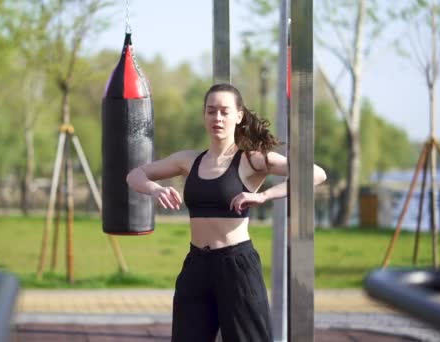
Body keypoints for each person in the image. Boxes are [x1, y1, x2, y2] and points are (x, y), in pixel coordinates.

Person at [126, 83, 327, 342]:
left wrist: (263, 195)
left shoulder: (251, 159)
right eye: (211, 111)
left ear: (238, 116)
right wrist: (155, 190)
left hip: (237, 267)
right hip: (196, 266)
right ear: (204, 116)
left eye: (224, 111)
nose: (217, 118)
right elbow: (134, 175)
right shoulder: (189, 160)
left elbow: (316, 174)